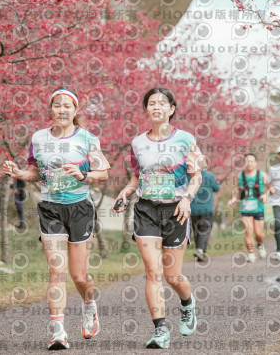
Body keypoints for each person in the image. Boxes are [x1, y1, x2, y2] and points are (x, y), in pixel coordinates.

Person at [2, 88, 110, 350]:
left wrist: (83, 175)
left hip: (80, 208)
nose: (62, 110)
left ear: (75, 110)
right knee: (56, 271)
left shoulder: (87, 139)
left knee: (79, 276)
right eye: (57, 105)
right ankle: (58, 332)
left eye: (67, 105)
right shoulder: (39, 138)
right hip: (51, 208)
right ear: (51, 109)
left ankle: (89, 304)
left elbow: (103, 173)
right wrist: (19, 173)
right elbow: (35, 172)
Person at [112, 87, 205, 349]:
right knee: (153, 272)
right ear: (145, 109)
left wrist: (187, 198)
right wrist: (125, 193)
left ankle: (187, 303)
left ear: (171, 109)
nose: (156, 107)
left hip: (176, 209)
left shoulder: (186, 139)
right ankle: (160, 330)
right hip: (146, 210)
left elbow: (196, 175)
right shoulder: (137, 143)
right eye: (151, 103)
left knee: (172, 276)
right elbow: (136, 177)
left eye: (162, 103)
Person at [228, 153, 268, 263]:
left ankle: (260, 243)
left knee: (259, 233)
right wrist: (234, 198)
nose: (249, 163)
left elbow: (270, 187)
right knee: (248, 231)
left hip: (259, 207)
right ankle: (251, 253)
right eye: (247, 161)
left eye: (251, 161)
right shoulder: (240, 176)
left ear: (256, 163)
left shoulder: (262, 175)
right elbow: (238, 190)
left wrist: (266, 195)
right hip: (245, 208)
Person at [190, 163, 220, 261]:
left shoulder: (190, 176)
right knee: (204, 230)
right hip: (206, 210)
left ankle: (200, 252)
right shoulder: (210, 176)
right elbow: (217, 188)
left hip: (193, 210)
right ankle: (200, 250)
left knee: (196, 231)